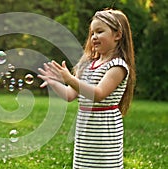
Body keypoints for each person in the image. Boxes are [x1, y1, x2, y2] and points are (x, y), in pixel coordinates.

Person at [38, 9, 135, 168]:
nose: (94, 37)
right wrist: (54, 82)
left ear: (117, 35)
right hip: (86, 131)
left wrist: (70, 78)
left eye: (100, 31)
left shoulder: (117, 66)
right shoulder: (88, 65)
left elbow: (98, 94)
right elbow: (70, 95)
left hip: (104, 131)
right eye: (92, 33)